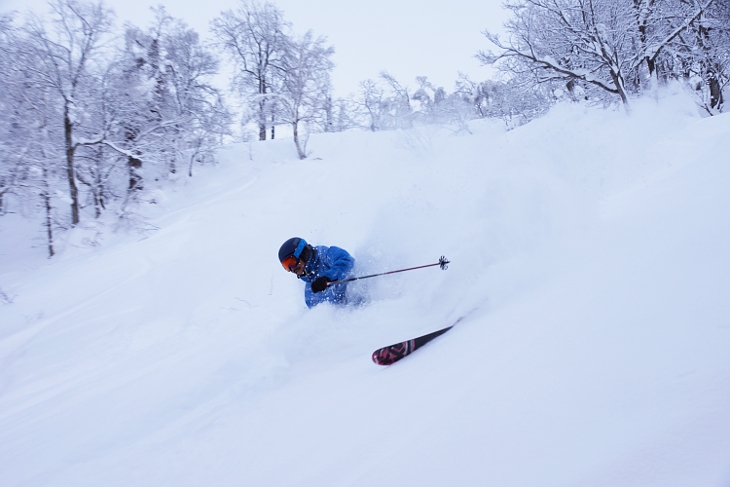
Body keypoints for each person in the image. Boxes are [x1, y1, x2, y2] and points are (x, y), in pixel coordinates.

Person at [278, 237, 355, 308]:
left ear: (302, 253)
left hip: (361, 298)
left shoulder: (325, 255)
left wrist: (328, 277)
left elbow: (346, 260)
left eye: (291, 261)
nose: (292, 268)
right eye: (286, 266)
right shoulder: (310, 292)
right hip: (349, 315)